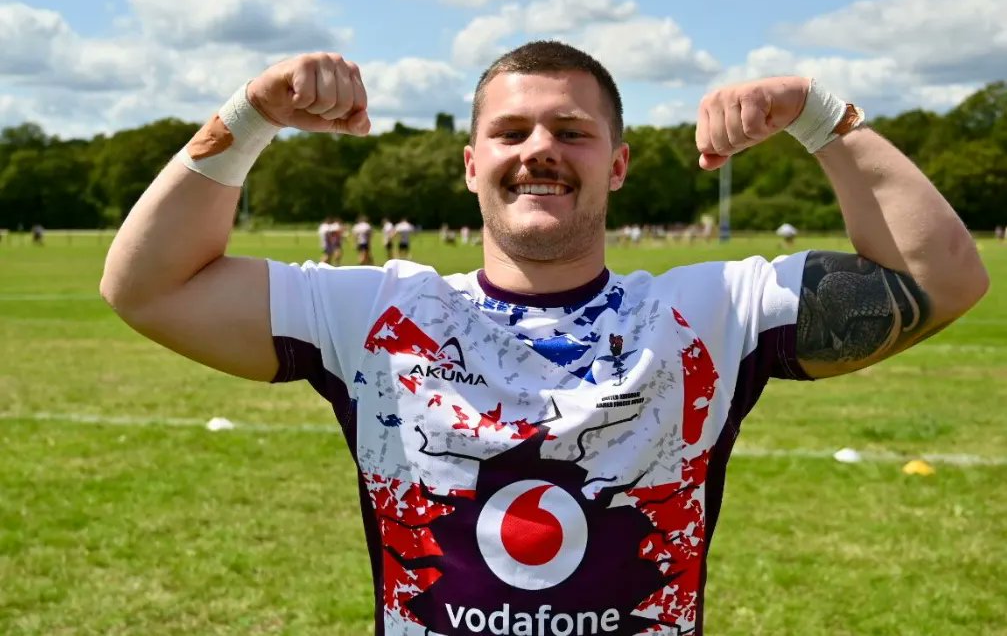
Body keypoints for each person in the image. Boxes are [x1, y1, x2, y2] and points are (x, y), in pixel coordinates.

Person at [100, 43, 988, 636]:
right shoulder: (374, 312)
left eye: (571, 131)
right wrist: (249, 114)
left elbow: (943, 279)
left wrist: (817, 114)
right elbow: (146, 286)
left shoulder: (712, 310)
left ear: (618, 162)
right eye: (510, 131)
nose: (538, 150)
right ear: (469, 162)